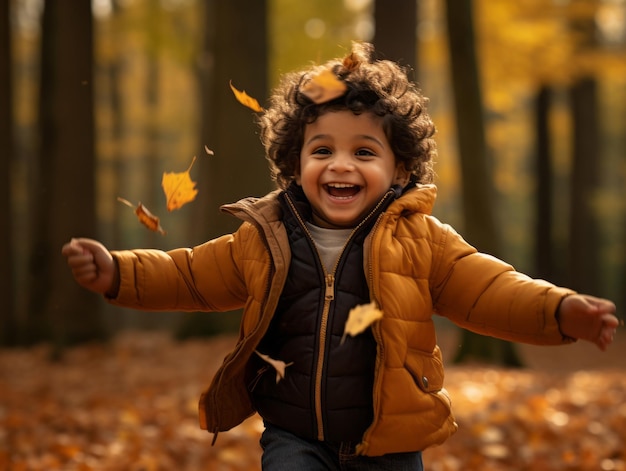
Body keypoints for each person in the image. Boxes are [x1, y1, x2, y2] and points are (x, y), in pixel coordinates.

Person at [62, 42, 619, 471]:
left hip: (393, 438)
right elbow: (189, 275)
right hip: (295, 436)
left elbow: (490, 289)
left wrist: (560, 311)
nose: (340, 165)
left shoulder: (421, 240)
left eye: (364, 152)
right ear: (294, 163)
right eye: (322, 150)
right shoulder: (267, 235)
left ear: (399, 169)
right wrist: (117, 272)